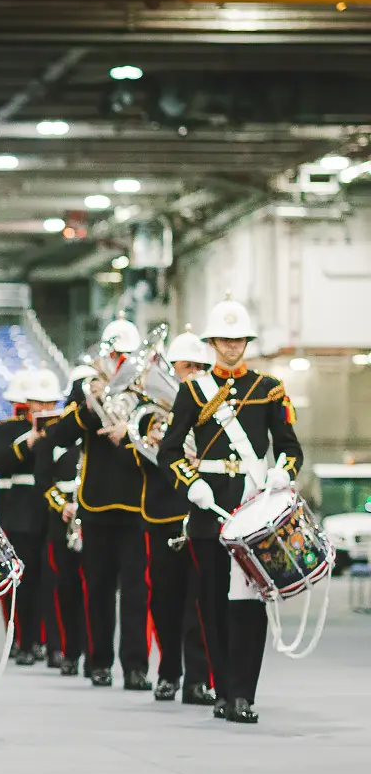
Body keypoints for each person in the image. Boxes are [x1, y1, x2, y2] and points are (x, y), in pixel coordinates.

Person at [160, 300, 302, 725]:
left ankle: (243, 694)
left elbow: (290, 447)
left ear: (247, 342)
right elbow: (169, 451)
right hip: (208, 512)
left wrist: (281, 472)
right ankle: (222, 689)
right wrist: (191, 483)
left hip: (252, 512)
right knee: (211, 603)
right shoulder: (192, 391)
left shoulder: (269, 388)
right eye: (224, 340)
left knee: (249, 605)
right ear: (212, 343)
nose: (232, 347)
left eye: (238, 339)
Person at [42, 317, 153, 691]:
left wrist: (132, 430)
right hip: (96, 503)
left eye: (127, 356)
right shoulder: (86, 390)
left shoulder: (150, 392)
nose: (120, 362)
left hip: (138, 505)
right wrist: (91, 401)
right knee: (98, 589)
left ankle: (136, 666)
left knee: (137, 592)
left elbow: (162, 439)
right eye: (114, 355)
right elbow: (58, 435)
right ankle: (99, 661)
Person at [143, 328, 217, 706]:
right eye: (184, 367)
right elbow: (139, 458)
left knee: (200, 600)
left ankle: (198, 680)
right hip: (163, 513)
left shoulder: (218, 410)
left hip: (203, 514)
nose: (191, 374)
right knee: (165, 600)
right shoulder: (151, 413)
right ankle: (169, 671)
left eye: (199, 367)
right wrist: (154, 442)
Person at [0, 368, 64, 666]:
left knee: (51, 580)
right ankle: (22, 640)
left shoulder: (62, 430)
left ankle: (49, 641)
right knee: (20, 581)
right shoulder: (6, 429)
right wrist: (29, 440)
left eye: (48, 403)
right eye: (37, 403)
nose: (43, 409)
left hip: (50, 511)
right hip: (18, 513)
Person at [35, 368, 89, 675]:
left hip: (92, 513)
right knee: (63, 587)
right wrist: (61, 505)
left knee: (93, 588)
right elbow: (43, 479)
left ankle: (96, 656)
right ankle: (67, 651)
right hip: (63, 517)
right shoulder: (55, 433)